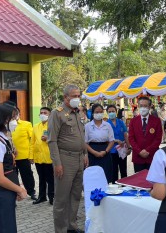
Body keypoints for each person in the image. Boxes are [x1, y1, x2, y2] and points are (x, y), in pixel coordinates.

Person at [48, 84, 89, 233]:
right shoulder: (56, 113)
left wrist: (85, 154)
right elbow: (52, 141)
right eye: (74, 96)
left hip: (79, 159)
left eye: (79, 96)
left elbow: (81, 136)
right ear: (65, 97)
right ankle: (60, 229)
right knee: (61, 198)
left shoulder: (77, 113)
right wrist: (57, 164)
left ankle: (72, 226)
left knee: (76, 195)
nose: (77, 99)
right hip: (65, 159)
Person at [0, 104, 27, 232]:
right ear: (4, 120)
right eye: (13, 118)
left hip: (5, 192)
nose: (16, 121)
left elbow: (8, 168)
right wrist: (20, 190)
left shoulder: (2, 138)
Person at [128, 96, 162, 172]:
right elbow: (131, 138)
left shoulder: (156, 121)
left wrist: (148, 150)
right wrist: (139, 151)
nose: (143, 108)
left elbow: (158, 139)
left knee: (152, 182)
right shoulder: (133, 121)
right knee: (138, 181)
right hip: (138, 157)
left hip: (152, 156)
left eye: (145, 106)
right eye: (141, 106)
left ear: (149, 107)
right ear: (138, 106)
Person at [11, 107, 37, 200]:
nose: (13, 115)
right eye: (11, 113)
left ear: (19, 114)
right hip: (10, 157)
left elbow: (32, 140)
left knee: (27, 175)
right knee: (12, 177)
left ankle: (31, 192)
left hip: (23, 156)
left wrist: (31, 155)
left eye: (15, 113)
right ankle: (14, 195)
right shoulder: (6, 125)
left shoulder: (26, 124)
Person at [29, 107, 54, 205]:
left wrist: (49, 138)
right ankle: (42, 196)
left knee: (50, 179)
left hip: (49, 157)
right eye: (41, 113)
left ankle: (52, 197)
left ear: (50, 114)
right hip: (38, 157)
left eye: (45, 113)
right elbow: (32, 142)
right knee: (41, 178)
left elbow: (58, 139)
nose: (43, 114)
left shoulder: (53, 126)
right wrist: (31, 156)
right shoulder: (35, 127)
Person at [85, 104, 115, 183]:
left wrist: (105, 151)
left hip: (105, 152)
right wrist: (94, 152)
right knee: (94, 177)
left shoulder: (107, 125)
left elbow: (112, 141)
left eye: (100, 112)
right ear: (93, 113)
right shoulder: (87, 126)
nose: (99, 114)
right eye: (96, 112)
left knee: (106, 176)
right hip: (92, 152)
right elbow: (85, 143)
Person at [106, 105, 132, 183]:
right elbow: (106, 138)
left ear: (116, 112)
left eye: (113, 111)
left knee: (123, 170)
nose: (111, 113)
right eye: (109, 112)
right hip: (112, 151)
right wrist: (116, 140)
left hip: (122, 150)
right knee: (114, 171)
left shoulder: (120, 122)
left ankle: (125, 186)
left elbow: (125, 134)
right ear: (107, 113)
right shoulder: (106, 124)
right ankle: (115, 188)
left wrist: (129, 147)